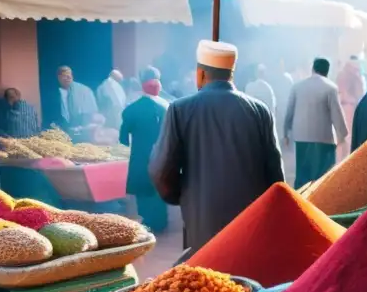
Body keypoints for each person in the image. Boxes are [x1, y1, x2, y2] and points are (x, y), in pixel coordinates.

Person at [149, 40, 284, 256]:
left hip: (201, 220)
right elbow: (275, 176)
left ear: (201, 74)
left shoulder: (180, 109)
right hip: (250, 222)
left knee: (208, 281)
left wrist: (182, 195)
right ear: (232, 73)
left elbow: (160, 170)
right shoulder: (259, 110)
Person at [120, 67, 170, 233]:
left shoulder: (131, 109)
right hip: (163, 156)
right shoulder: (167, 107)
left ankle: (147, 222)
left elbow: (123, 138)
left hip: (140, 157)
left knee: (143, 190)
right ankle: (161, 223)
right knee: (159, 189)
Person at [284, 58, 347, 188]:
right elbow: (336, 114)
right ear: (327, 71)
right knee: (322, 178)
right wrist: (342, 135)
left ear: (313, 68)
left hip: (301, 138)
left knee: (302, 175)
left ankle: (300, 202)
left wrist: (285, 132)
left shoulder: (297, 86)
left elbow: (289, 111)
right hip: (324, 139)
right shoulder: (330, 88)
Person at [335, 55, 366, 160]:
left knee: (342, 138)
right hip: (350, 108)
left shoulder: (341, 74)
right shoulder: (355, 76)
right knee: (348, 138)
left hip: (342, 107)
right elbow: (360, 94)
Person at [53, 66, 99, 132]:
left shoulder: (84, 90)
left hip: (82, 129)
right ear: (59, 78)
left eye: (70, 75)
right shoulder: (54, 93)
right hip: (62, 130)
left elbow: (92, 112)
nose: (68, 77)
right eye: (65, 76)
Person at [267, 60, 294, 145]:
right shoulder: (272, 79)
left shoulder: (287, 78)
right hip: (276, 109)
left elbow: (291, 94)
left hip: (285, 108)